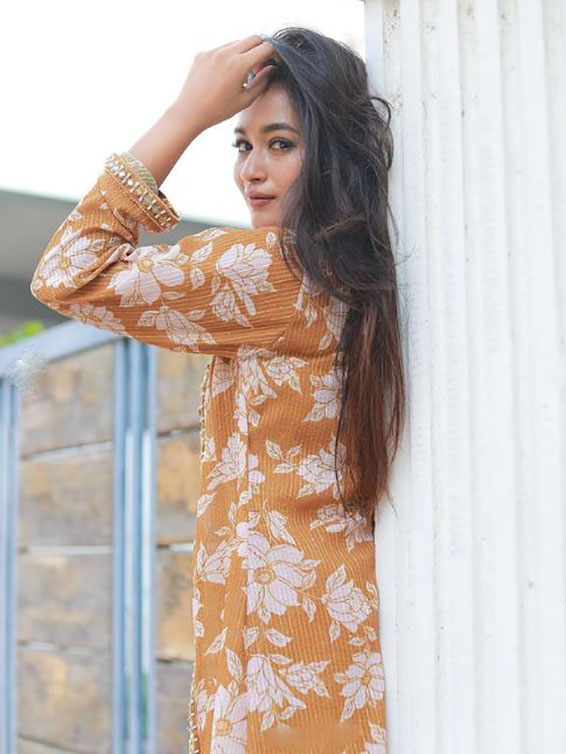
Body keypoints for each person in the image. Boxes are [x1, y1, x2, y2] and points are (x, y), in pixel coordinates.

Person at [29, 26, 405, 754]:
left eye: (280, 144)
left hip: (277, 669)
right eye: (240, 144)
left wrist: (186, 115)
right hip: (311, 651)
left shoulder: (275, 273)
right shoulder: (339, 276)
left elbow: (68, 273)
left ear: (333, 154)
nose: (251, 172)